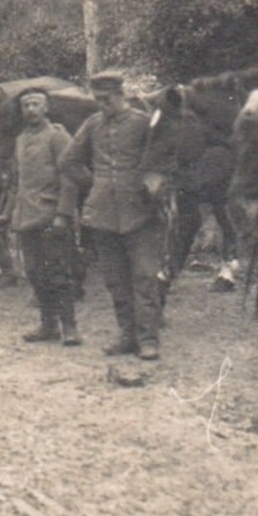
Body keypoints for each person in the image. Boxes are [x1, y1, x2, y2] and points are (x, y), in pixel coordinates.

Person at [62, 70, 170, 360]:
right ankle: (127, 336)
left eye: (106, 99)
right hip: (104, 216)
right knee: (116, 280)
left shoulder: (143, 123)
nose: (101, 105)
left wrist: (152, 184)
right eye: (97, 99)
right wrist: (95, 185)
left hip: (141, 214)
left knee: (144, 278)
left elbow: (164, 159)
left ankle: (149, 340)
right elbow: (69, 161)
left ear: (120, 94)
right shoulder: (93, 125)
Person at [0, 87, 81, 346]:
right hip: (26, 216)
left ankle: (69, 327)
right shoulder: (21, 139)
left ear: (46, 108)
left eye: (36, 104)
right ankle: (48, 325)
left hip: (51, 215)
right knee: (34, 272)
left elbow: (70, 177)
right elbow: (16, 182)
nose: (31, 110)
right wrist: (7, 213)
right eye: (26, 105)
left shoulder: (57, 136)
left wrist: (63, 214)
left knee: (58, 272)